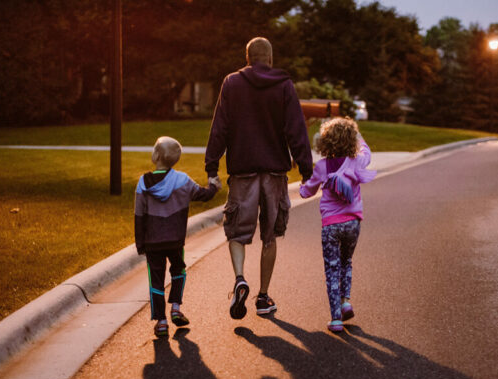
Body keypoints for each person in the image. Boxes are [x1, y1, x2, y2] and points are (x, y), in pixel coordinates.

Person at [205, 37, 313, 319]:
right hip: (275, 172)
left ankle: (240, 279)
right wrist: (306, 168)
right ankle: (263, 297)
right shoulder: (284, 85)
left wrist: (212, 166)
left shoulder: (232, 83)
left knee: (237, 233)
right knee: (269, 236)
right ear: (270, 58)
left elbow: (220, 128)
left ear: (248, 57)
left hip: (243, 171)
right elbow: (296, 129)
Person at [135, 136, 221, 337]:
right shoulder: (183, 180)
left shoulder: (143, 183)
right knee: (179, 271)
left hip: (152, 243)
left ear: (155, 155)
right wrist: (214, 186)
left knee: (156, 280)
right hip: (175, 240)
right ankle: (175, 308)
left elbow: (139, 216)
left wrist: (141, 243)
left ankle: (161, 321)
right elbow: (204, 195)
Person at [299, 117, 376, 332]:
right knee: (346, 261)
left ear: (325, 142)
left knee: (332, 269)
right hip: (353, 223)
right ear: (351, 141)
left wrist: (303, 186)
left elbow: (307, 192)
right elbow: (366, 151)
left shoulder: (322, 166)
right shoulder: (357, 161)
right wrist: (357, 134)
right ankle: (345, 302)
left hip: (331, 226)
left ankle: (336, 319)